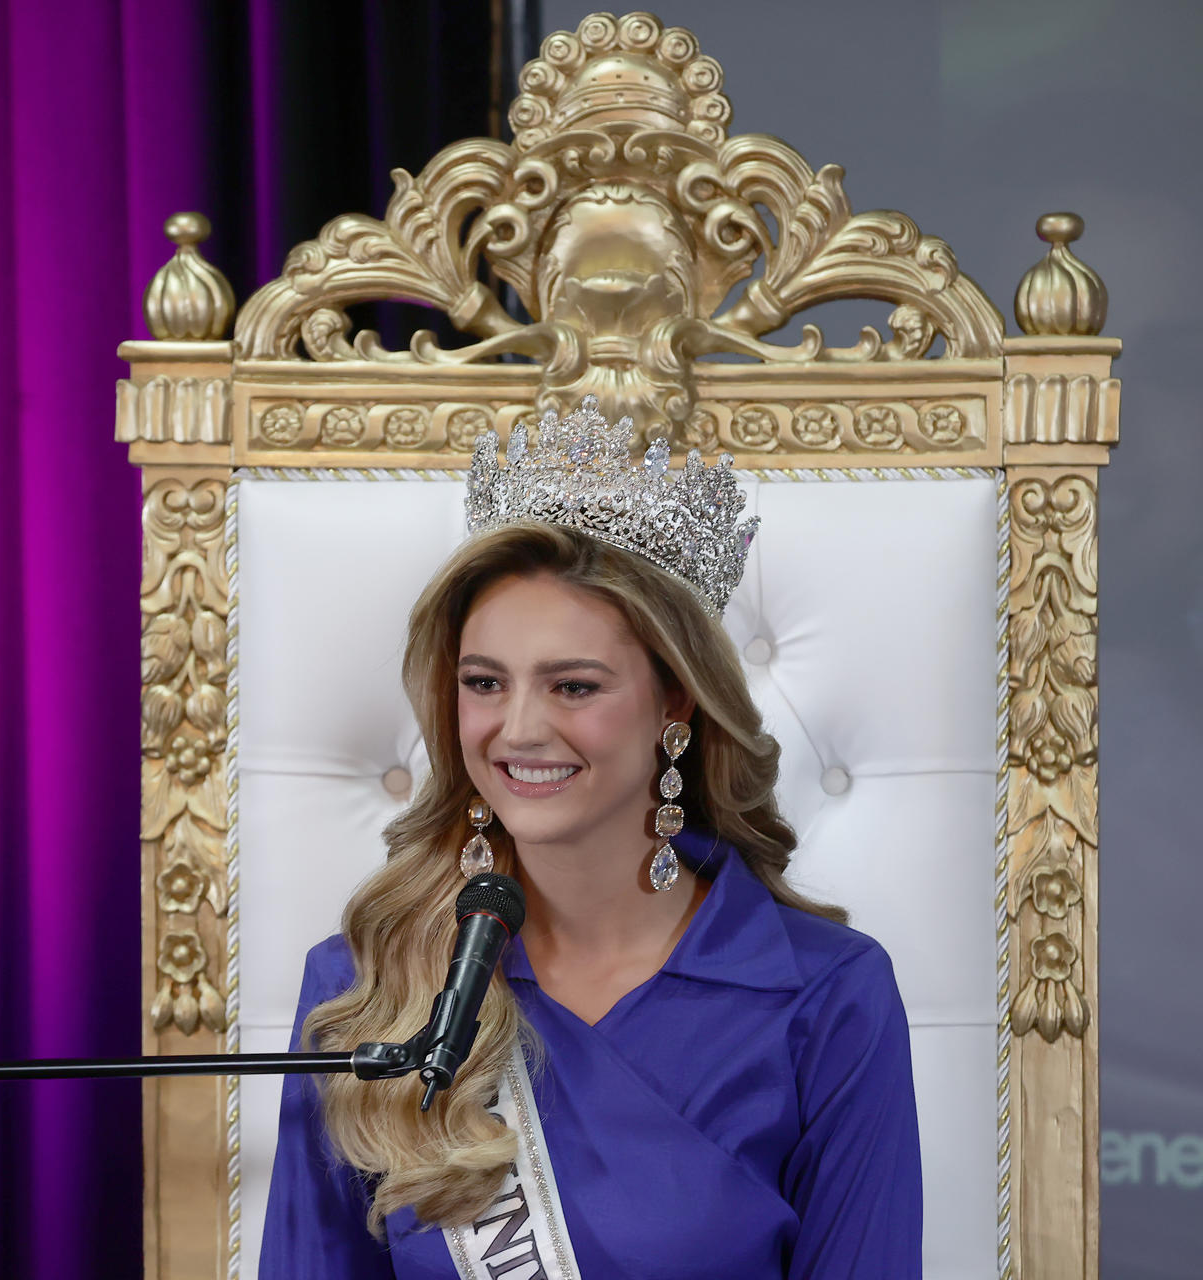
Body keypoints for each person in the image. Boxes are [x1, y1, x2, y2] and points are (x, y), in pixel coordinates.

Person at [259, 398, 921, 1278]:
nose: (518, 729)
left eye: (573, 687)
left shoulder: (827, 996)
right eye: (485, 683)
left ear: (676, 700)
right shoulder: (371, 984)